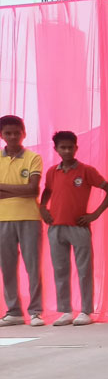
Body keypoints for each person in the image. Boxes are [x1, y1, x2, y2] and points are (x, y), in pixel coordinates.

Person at [38, 131, 108, 326]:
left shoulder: (86, 171)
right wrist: (43, 208)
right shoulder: (52, 171)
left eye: (70, 147)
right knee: (60, 269)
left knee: (84, 269)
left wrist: (94, 214)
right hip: (56, 227)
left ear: (76, 148)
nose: (66, 151)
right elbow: (47, 191)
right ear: (56, 149)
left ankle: (86, 311)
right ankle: (65, 311)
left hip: (78, 227)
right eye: (62, 147)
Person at [0, 116, 44, 327]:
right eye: (8, 133)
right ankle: (14, 312)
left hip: (29, 217)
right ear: (1, 135)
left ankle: (35, 312)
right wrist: (21, 190)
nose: (13, 137)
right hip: (2, 219)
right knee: (7, 267)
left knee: (33, 266)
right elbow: (25, 189)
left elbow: (33, 190)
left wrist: (3, 188)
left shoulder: (33, 158)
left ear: (24, 133)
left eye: (17, 133)